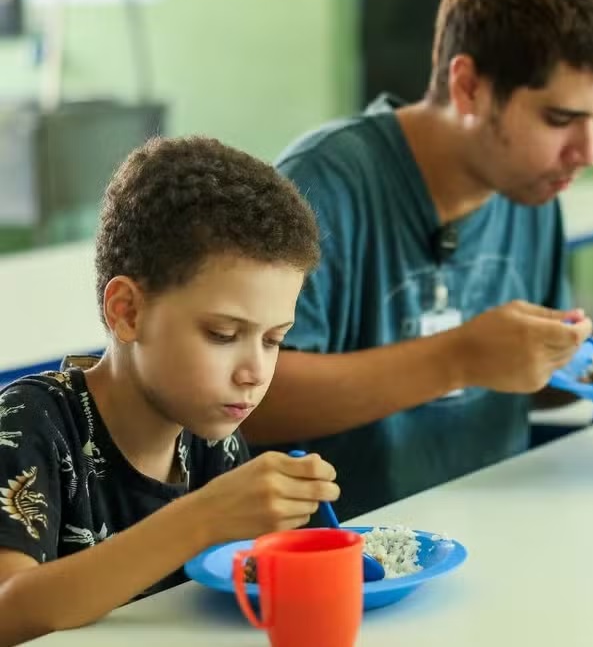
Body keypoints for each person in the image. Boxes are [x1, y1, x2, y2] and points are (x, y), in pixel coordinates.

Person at [243, 0, 593, 520]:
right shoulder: (323, 186)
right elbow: (248, 400)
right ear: (468, 87)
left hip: (494, 537)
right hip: (352, 559)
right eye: (560, 118)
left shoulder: (533, 189)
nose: (587, 152)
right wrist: (456, 357)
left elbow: (510, 379)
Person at [0, 137, 339, 646]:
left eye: (274, 340)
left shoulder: (213, 441)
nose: (254, 371)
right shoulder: (30, 424)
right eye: (223, 335)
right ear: (128, 312)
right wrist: (202, 518)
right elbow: (8, 611)